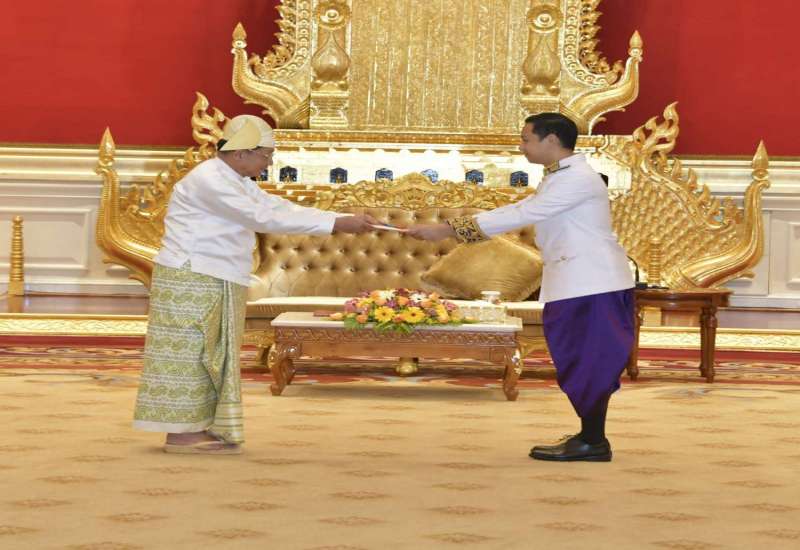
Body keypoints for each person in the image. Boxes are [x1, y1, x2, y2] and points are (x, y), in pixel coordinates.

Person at [133, 115, 379, 454]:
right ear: (241, 152)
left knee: (214, 353)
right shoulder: (210, 179)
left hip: (212, 275)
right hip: (192, 276)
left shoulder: (234, 179)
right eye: (266, 155)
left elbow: (274, 206)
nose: (270, 162)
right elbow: (262, 217)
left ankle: (199, 426)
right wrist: (336, 223)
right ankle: (181, 435)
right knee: (192, 354)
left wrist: (337, 220)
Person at [407, 113, 634, 462]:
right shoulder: (561, 175)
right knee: (577, 357)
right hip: (577, 280)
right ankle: (590, 435)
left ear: (551, 140)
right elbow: (522, 208)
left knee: (589, 360)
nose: (521, 145)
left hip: (591, 281)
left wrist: (448, 229)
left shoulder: (577, 178)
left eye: (526, 139)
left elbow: (522, 215)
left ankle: (593, 441)